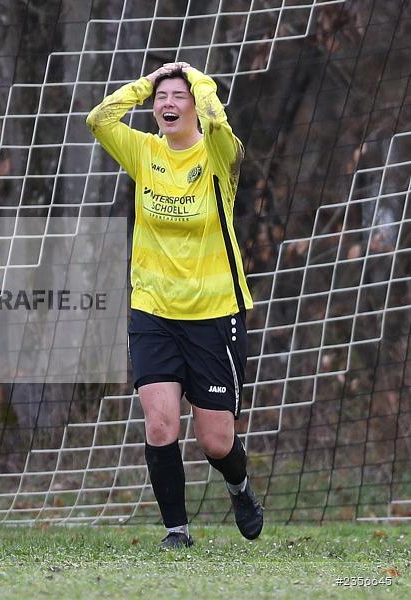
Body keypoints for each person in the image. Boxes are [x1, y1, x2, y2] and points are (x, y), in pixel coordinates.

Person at [87, 62, 263, 549]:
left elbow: (218, 119)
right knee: (160, 421)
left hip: (213, 313)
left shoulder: (218, 153)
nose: (168, 104)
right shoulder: (144, 151)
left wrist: (195, 77)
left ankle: (239, 486)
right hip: (152, 310)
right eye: (162, 97)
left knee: (216, 442)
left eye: (177, 97)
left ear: (194, 106)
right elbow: (99, 120)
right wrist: (147, 83)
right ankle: (176, 531)